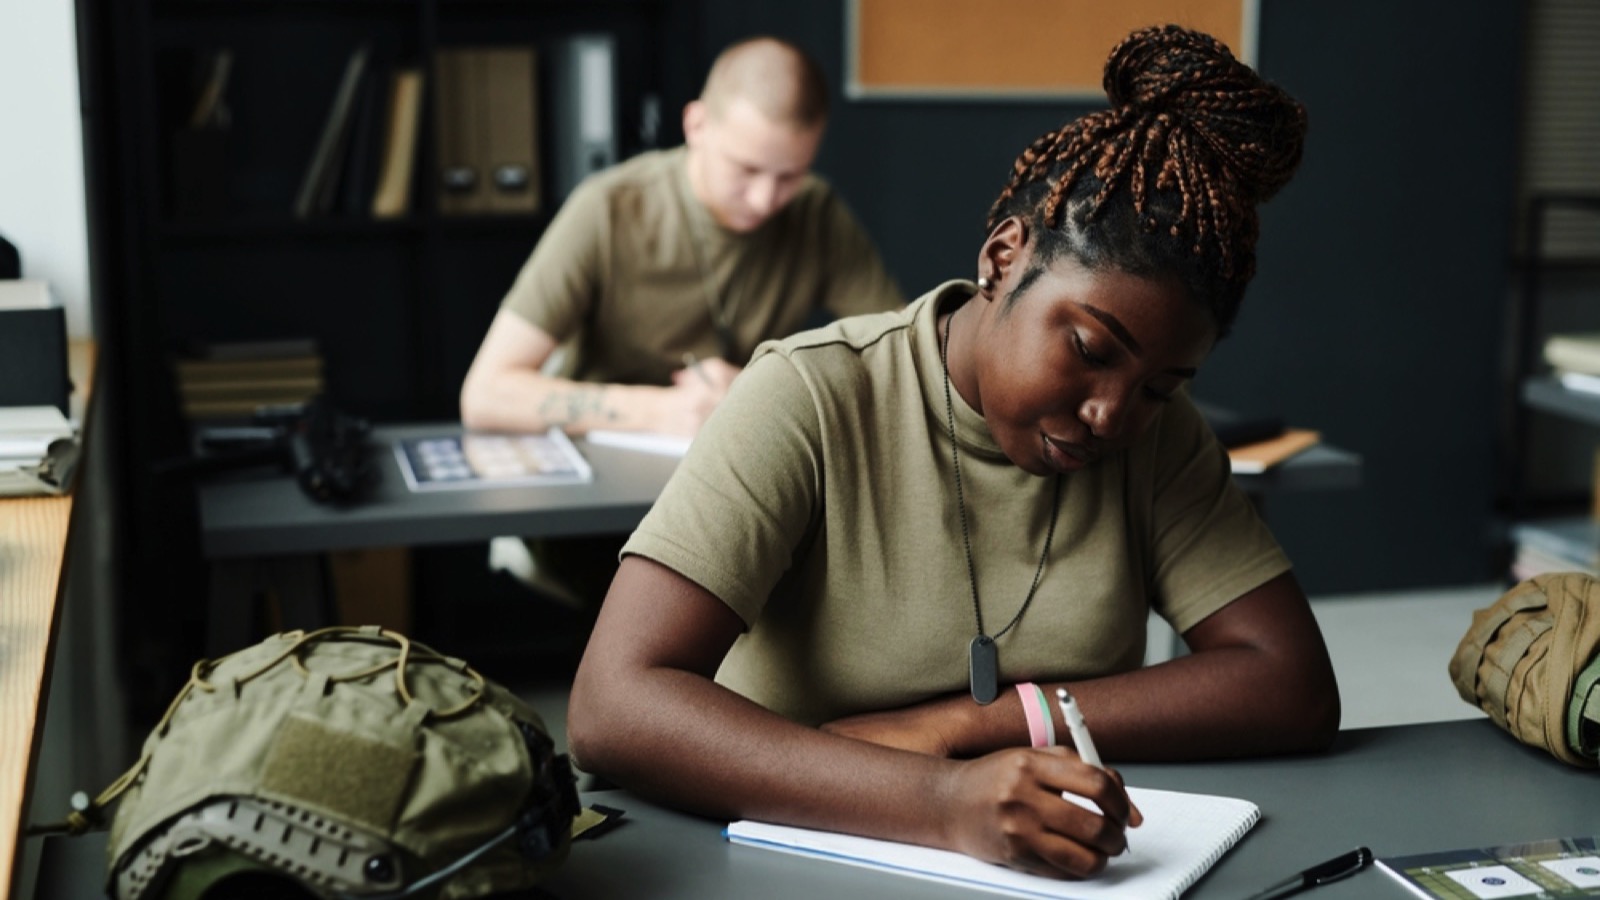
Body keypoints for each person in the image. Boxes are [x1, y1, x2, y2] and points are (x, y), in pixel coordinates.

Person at [567, 24, 1342, 880]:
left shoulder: (1158, 438)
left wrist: (985, 724)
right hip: (778, 865)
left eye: (1161, 385)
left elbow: (1292, 685)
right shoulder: (811, 396)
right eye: (1089, 349)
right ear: (1003, 259)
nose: (1112, 414)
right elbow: (614, 705)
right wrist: (939, 801)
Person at [459, 36, 904, 438]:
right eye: (746, 169)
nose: (765, 198)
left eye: (790, 175)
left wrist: (763, 390)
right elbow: (484, 394)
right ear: (696, 126)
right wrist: (662, 411)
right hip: (602, 484)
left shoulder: (816, 211)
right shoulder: (609, 208)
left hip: (738, 474)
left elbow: (902, 364)